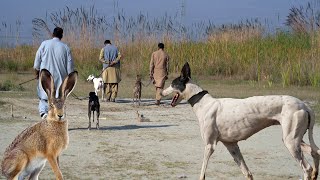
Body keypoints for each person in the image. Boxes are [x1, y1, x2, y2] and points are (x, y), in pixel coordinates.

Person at [33, 27, 75, 119]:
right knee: (58, 101)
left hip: (45, 78)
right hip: (60, 80)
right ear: (62, 36)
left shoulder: (44, 44)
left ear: (52, 34)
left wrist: (37, 73)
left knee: (44, 98)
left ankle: (44, 114)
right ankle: (56, 117)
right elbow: (70, 69)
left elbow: (37, 62)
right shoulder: (66, 48)